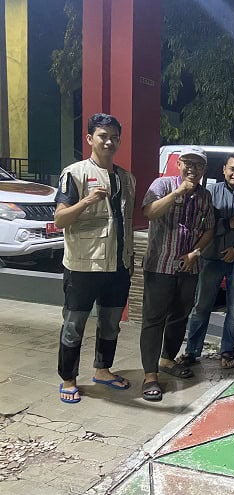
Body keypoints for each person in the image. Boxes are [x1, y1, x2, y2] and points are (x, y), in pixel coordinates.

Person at [54, 113, 135, 404]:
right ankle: (68, 378)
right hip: (83, 265)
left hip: (117, 266)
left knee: (111, 323)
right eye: (103, 136)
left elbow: (126, 222)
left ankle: (102, 369)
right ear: (90, 139)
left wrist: (129, 259)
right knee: (74, 325)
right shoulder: (74, 173)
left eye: (114, 137)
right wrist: (87, 200)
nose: (109, 142)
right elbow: (60, 219)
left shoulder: (127, 178)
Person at [139, 146, 215, 401]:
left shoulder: (205, 196)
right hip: (160, 265)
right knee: (153, 320)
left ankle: (167, 359)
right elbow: (149, 211)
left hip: (189, 267)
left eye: (198, 165)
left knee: (180, 316)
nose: (193, 169)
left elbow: (209, 229)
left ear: (204, 169)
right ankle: (150, 375)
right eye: (188, 163)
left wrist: (195, 252)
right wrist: (178, 193)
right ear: (179, 164)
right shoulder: (162, 185)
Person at [182, 152, 234, 369]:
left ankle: (227, 351)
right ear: (224, 170)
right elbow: (201, 224)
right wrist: (226, 224)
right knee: (201, 307)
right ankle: (192, 351)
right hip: (211, 258)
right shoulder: (210, 193)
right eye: (232, 169)